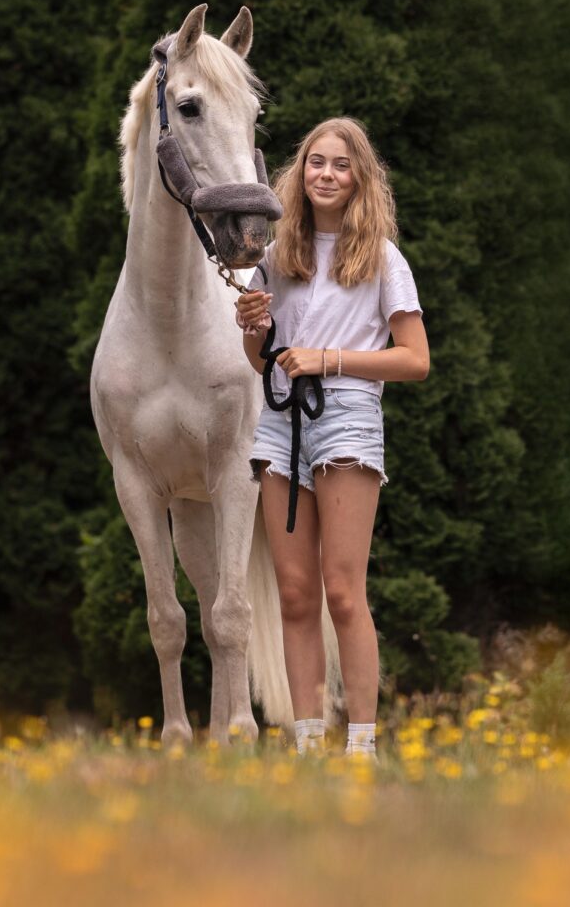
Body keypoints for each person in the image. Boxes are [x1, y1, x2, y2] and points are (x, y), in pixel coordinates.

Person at [235, 117, 430, 758]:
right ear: (300, 172)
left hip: (346, 413)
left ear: (359, 180)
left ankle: (363, 748)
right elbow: (262, 361)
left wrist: (329, 358)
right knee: (294, 594)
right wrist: (253, 328)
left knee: (343, 592)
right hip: (281, 416)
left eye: (341, 165)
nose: (325, 173)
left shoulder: (382, 259)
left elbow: (414, 360)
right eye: (316, 162)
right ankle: (309, 746)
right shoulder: (274, 256)